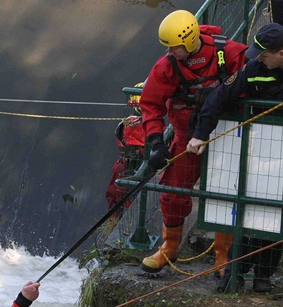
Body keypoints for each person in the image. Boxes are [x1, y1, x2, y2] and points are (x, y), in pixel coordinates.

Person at [186, 23, 283, 293]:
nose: (258, 58)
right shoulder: (254, 68)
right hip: (262, 151)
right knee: (251, 209)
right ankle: (235, 271)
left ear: (281, 53)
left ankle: (265, 274)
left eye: (263, 54)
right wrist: (200, 134)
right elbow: (219, 97)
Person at [139, 9, 248, 275]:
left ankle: (223, 254)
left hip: (226, 135)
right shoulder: (167, 66)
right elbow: (151, 104)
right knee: (173, 191)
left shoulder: (229, 53)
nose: (169, 53)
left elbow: (253, 80)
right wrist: (156, 142)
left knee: (225, 193)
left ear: (187, 41)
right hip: (186, 138)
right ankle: (170, 245)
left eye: (174, 47)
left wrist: (223, 93)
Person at [105, 82, 147, 218]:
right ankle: (120, 220)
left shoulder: (126, 124)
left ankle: (117, 221)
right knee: (125, 195)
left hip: (127, 166)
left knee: (119, 195)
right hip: (134, 167)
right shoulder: (135, 125)